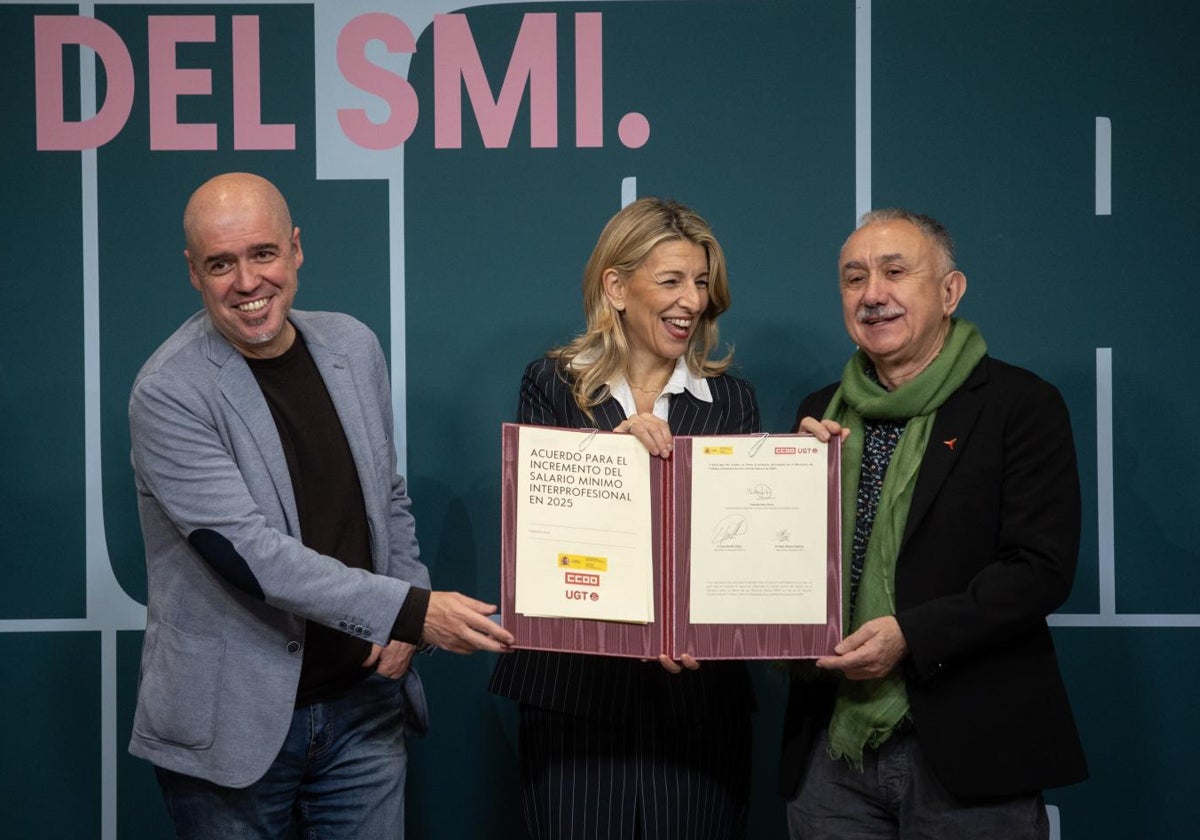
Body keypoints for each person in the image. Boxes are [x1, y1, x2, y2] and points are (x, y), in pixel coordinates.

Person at [127, 172, 514, 839]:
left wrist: (404, 607)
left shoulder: (351, 346)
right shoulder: (169, 392)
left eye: (263, 254)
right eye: (221, 264)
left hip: (362, 715)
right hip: (233, 728)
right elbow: (248, 555)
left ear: (296, 250)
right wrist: (417, 612)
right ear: (193, 272)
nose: (247, 283)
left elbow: (387, 497)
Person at [778, 208, 1087, 838]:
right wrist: (791, 481)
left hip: (971, 749)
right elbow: (783, 564)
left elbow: (1040, 570)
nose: (872, 295)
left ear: (950, 291)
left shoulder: (1018, 406)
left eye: (895, 272)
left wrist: (910, 635)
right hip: (832, 753)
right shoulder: (818, 416)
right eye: (854, 278)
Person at [489, 198, 760, 839]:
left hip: (697, 709)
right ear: (616, 287)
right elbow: (543, 531)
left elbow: (737, 550)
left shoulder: (732, 399)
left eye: (699, 282)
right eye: (670, 281)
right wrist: (616, 444)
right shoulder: (554, 384)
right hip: (574, 703)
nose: (690, 301)